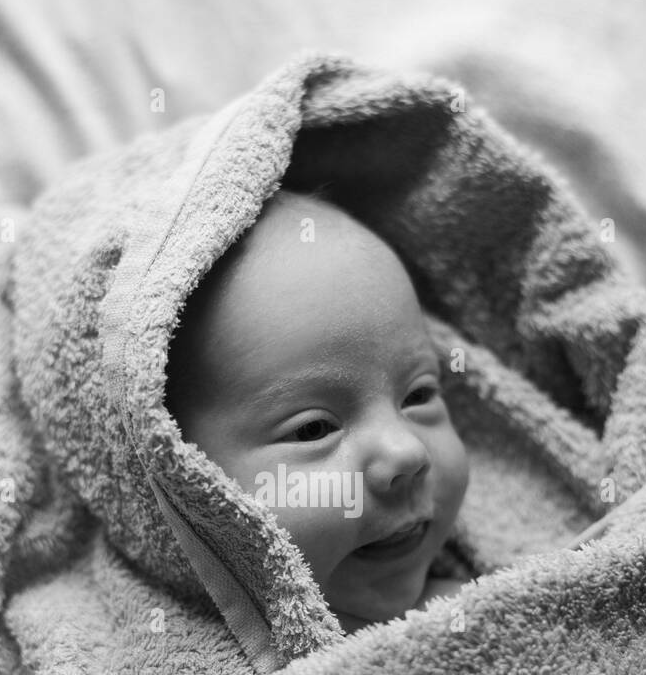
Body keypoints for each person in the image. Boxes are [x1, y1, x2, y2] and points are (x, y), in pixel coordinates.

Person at [166, 189, 469, 635]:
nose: (408, 453)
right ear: (176, 476)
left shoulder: (501, 599)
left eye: (418, 396)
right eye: (314, 429)